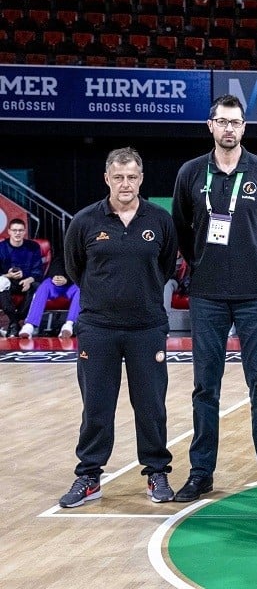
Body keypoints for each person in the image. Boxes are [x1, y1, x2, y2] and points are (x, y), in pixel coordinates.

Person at [171, 94, 257, 502]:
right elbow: (182, 230)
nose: (228, 128)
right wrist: (201, 265)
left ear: (244, 127)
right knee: (205, 387)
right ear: (210, 126)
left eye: (235, 122)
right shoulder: (190, 173)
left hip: (255, 295)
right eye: (222, 122)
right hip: (207, 296)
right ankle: (200, 473)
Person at [59, 147, 179, 507]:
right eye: (118, 177)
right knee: (96, 406)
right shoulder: (84, 221)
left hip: (147, 327)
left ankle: (156, 472)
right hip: (98, 328)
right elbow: (75, 268)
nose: (125, 184)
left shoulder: (160, 220)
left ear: (141, 179)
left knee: (151, 406)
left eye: (131, 177)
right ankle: (89, 476)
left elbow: (166, 267)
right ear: (107, 179)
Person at [17, 252, 81, 339]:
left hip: (74, 283)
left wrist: (67, 279)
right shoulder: (64, 251)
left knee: (81, 290)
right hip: (57, 283)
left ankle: (69, 325)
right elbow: (57, 262)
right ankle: (29, 325)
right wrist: (56, 276)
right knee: (44, 286)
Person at [0, 217, 46, 334]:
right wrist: (8, 275)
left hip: (27, 281)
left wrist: (29, 279)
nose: (17, 233)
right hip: (8, 281)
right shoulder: (1, 247)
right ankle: (15, 322)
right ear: (9, 231)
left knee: (37, 286)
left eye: (20, 230)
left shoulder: (33, 246)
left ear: (24, 231)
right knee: (1, 284)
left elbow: (38, 270)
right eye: (14, 230)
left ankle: (14, 322)